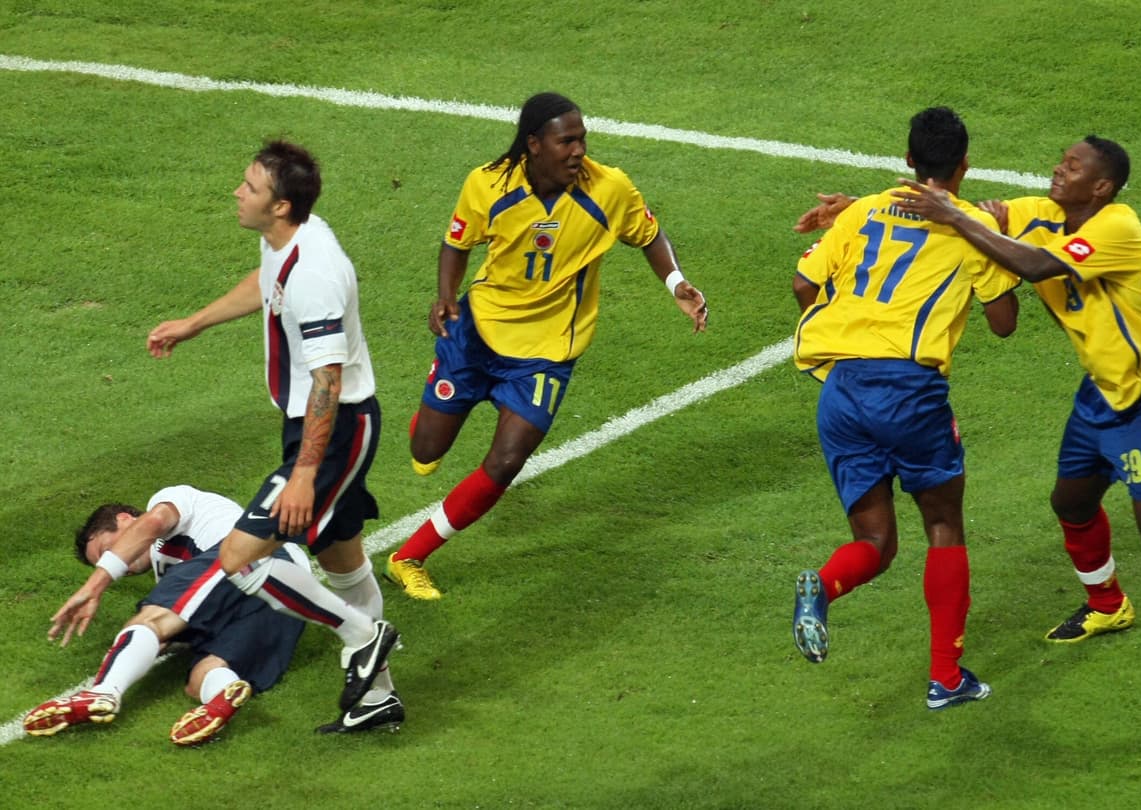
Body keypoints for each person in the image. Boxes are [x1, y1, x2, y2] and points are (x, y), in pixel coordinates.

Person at [880, 135, 1141, 735]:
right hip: (1100, 394)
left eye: (1073, 167)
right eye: (1062, 160)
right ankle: (1107, 605)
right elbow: (972, 210)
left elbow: (1036, 264)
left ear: (1101, 187)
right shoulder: (1046, 212)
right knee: (1070, 502)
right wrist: (862, 211)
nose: (1057, 169)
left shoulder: (1119, 226)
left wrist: (953, 217)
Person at [75, 139, 403, 722]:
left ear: (280, 205)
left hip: (331, 431)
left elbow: (328, 379)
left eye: (250, 187)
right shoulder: (288, 242)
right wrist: (196, 322)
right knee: (345, 564)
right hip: (316, 423)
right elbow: (266, 280)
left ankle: (361, 636)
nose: (237, 192)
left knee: (239, 558)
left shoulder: (317, 276)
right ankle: (377, 699)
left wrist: (304, 474)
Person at [385, 92, 709, 600]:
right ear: (535, 145)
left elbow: (648, 234)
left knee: (507, 460)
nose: (579, 150)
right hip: (477, 334)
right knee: (426, 451)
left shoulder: (610, 189)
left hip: (548, 351)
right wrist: (446, 298)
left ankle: (409, 556)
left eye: (582, 139)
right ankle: (444, 400)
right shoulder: (488, 184)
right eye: (567, 141)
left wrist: (677, 285)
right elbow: (457, 242)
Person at [789, 107, 1020, 711]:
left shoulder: (863, 208)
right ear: (965, 165)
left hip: (841, 391)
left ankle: (825, 585)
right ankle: (946, 678)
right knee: (943, 525)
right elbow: (1003, 324)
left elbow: (802, 284)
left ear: (909, 159)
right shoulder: (971, 227)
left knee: (874, 540)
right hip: (910, 392)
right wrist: (1000, 245)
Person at [26, 486, 402, 743]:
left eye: (111, 549)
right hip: (289, 594)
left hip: (247, 559)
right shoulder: (168, 572)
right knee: (201, 674)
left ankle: (104, 692)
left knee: (149, 622)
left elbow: (154, 523)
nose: (119, 564)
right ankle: (222, 693)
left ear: (125, 520)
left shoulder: (171, 502)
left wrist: (97, 583)